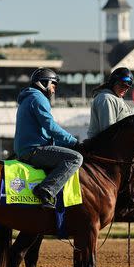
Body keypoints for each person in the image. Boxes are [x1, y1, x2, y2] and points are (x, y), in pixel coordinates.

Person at [14, 68, 83, 209]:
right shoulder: (38, 98)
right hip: (33, 150)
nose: (54, 89)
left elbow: (46, 132)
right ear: (44, 83)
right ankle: (46, 190)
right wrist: (74, 142)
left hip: (26, 149)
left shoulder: (29, 98)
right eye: (53, 85)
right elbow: (51, 127)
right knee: (75, 158)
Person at [87, 67, 134, 216]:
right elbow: (109, 130)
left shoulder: (117, 98)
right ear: (113, 82)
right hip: (102, 148)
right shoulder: (106, 98)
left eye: (128, 87)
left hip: (113, 147)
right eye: (122, 85)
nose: (125, 89)